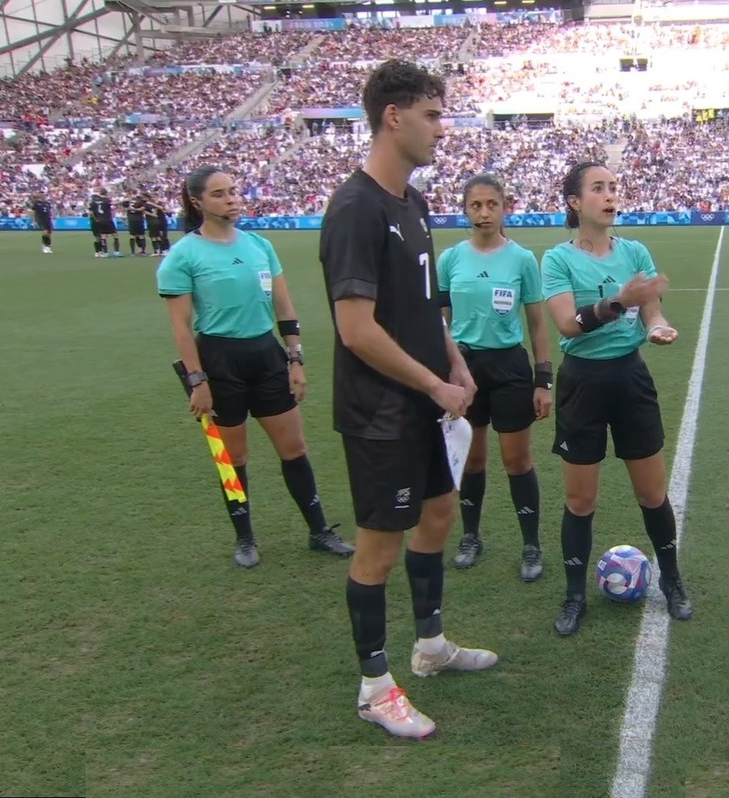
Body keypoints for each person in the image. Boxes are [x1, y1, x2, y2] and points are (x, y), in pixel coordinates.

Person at [319, 59, 498, 741]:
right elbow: (356, 329)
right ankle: (373, 686)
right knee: (378, 549)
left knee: (440, 512)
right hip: (381, 411)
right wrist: (433, 384)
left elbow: (425, 307)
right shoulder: (355, 207)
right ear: (393, 117)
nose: (440, 129)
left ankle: (430, 646)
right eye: (431, 114)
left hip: (428, 397)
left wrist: (452, 359)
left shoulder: (413, 204)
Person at [156, 164, 354, 569]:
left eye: (233, 191)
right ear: (197, 203)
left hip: (266, 355)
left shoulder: (259, 245)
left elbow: (284, 305)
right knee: (235, 458)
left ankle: (318, 530)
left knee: (294, 448)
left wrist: (294, 357)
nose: (231, 199)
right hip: (219, 359)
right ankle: (244, 538)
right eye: (219, 194)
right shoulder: (183, 256)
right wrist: (198, 381)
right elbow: (181, 325)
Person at [541, 160, 693, 637]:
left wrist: (658, 327)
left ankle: (672, 581)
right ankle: (574, 594)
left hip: (630, 379)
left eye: (613, 187)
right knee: (580, 500)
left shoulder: (635, 251)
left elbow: (651, 310)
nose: (610, 195)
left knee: (652, 493)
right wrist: (620, 303)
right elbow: (568, 324)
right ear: (574, 202)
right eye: (598, 188)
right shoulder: (558, 260)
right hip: (582, 382)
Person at [437, 174, 552, 582]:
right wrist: (444, 373)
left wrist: (543, 380)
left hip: (510, 370)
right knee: (473, 458)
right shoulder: (450, 259)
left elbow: (537, 324)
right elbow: (442, 322)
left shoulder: (521, 259)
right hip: (464, 370)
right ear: (465, 210)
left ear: (505, 207)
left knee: (517, 461)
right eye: (475, 205)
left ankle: (531, 543)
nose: (484, 212)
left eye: (491, 204)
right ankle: (471, 537)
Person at [89, 186, 119, 257]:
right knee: (113, 235)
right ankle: (115, 251)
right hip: (105, 220)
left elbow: (90, 212)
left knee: (99, 237)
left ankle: (100, 252)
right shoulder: (106, 200)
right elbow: (113, 204)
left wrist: (95, 219)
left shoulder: (94, 202)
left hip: (96, 221)